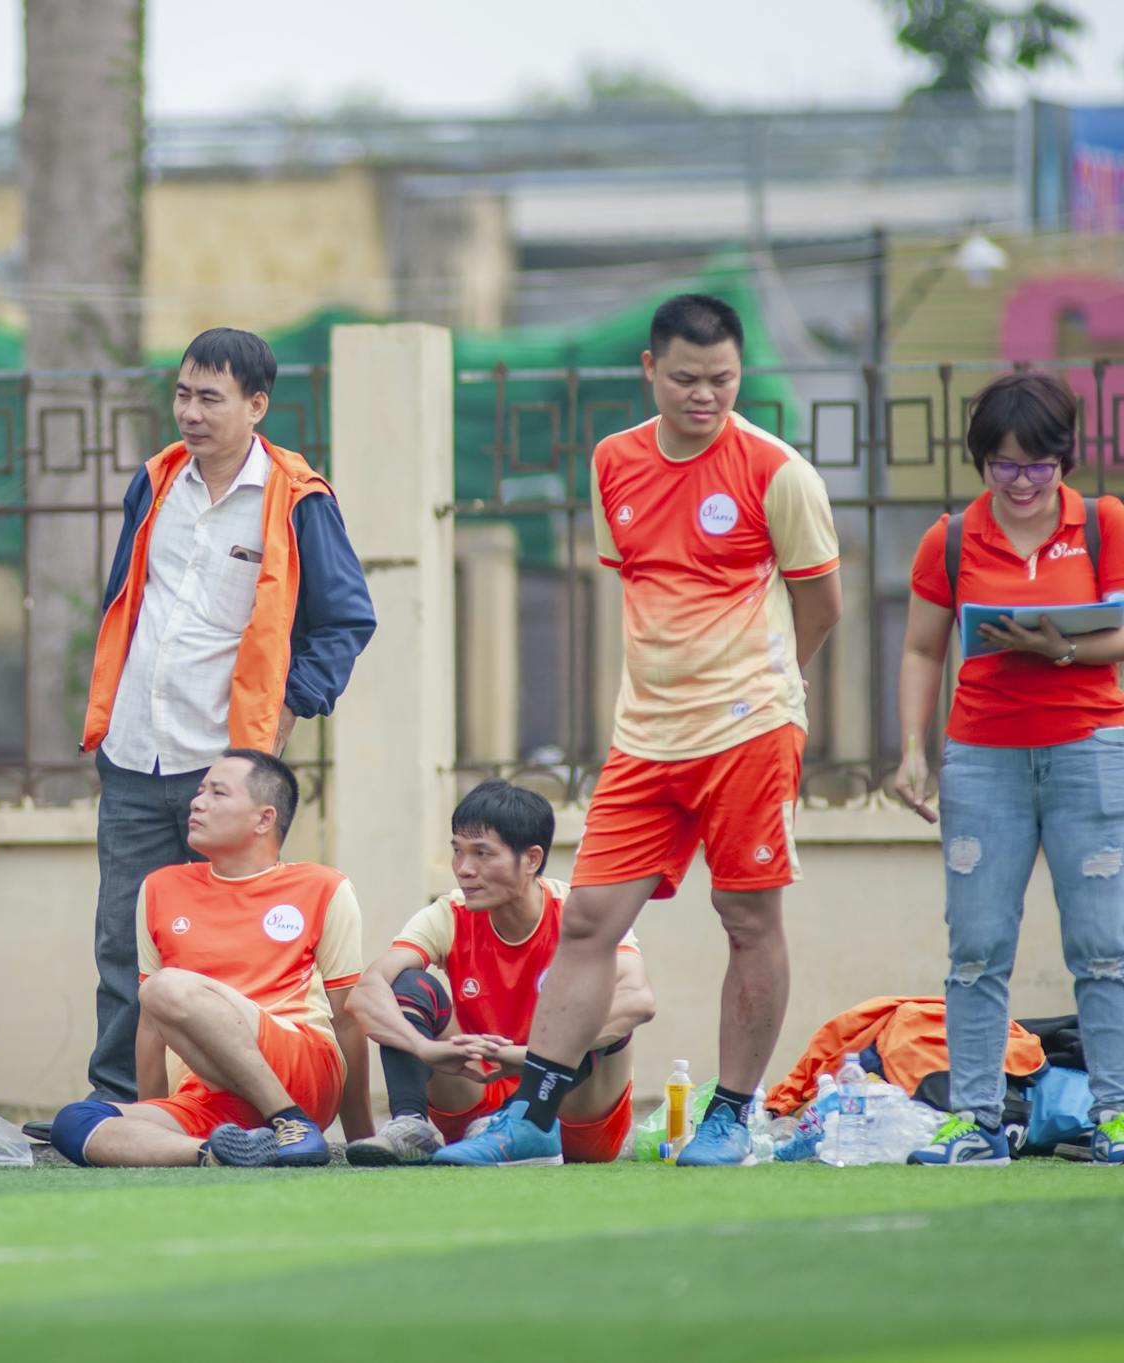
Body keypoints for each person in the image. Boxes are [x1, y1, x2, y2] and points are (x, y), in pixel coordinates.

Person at [437, 295, 841, 1168]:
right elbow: (636, 584)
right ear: (650, 370)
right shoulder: (613, 461)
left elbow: (823, 598)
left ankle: (732, 1115)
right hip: (646, 740)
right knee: (586, 919)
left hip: (750, 731)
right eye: (688, 379)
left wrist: (772, 682)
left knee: (746, 915)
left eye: (724, 380)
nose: (707, 396)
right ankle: (532, 1115)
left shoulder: (779, 472)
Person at [78, 326, 375, 1108]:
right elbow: (128, 602)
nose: (191, 412)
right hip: (135, 753)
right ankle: (121, 1103)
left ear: (257, 404)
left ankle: (242, 1100)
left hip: (228, 767)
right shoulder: (155, 482)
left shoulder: (297, 496)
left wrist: (287, 710)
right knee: (124, 941)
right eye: (182, 394)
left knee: (234, 946)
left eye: (211, 397)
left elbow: (346, 621)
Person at [893, 371, 1124, 1166]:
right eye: (1004, 464)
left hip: (1089, 749)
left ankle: (1117, 1115)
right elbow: (924, 646)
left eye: (1039, 465)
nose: (1023, 481)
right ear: (981, 461)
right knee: (978, 946)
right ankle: (977, 1118)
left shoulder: (1102, 524)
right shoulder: (951, 538)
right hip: (982, 758)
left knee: (1103, 944)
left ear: (1064, 459)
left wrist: (1056, 645)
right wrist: (911, 751)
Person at [49, 749, 370, 1167]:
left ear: (264, 819)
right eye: (200, 791)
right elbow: (151, 1025)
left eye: (218, 793)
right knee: (75, 1123)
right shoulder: (161, 886)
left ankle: (290, 1121)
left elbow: (347, 1018)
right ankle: (217, 1154)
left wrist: (362, 1136)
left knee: (166, 987)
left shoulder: (322, 886)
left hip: (300, 1072)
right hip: (207, 1094)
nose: (196, 802)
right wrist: (154, 1116)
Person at [344, 782, 655, 1166]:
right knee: (405, 985)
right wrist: (425, 1049)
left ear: (531, 859)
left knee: (606, 998)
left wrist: (534, 1058)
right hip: (476, 1099)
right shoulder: (450, 914)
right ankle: (410, 1125)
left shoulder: (581, 913)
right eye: (457, 851)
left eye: (482, 853)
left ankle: (526, 1120)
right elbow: (366, 992)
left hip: (573, 1119)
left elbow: (637, 1001)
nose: (463, 869)